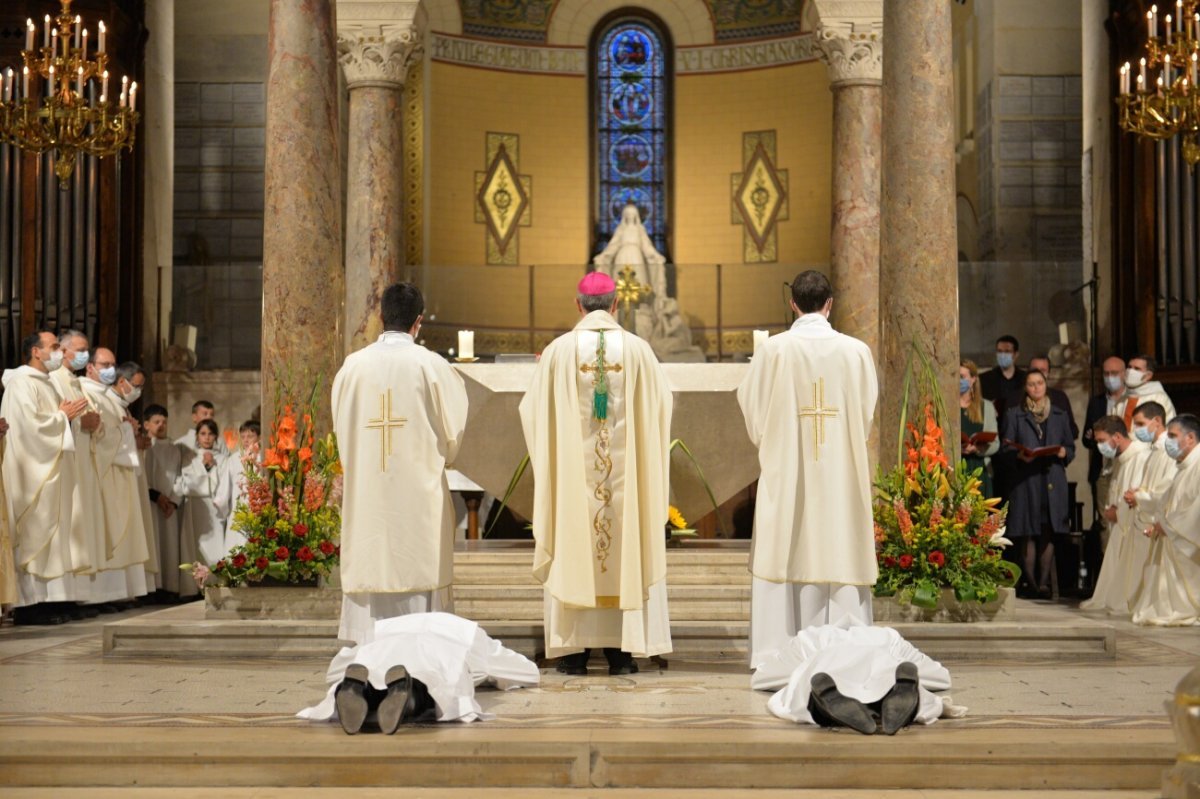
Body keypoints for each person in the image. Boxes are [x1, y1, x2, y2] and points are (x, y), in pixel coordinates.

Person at [519, 271, 673, 675]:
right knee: (622, 542)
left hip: (575, 488)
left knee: (574, 537)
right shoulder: (638, 351)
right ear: (617, 304)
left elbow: (531, 413)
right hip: (627, 490)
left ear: (578, 305)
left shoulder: (558, 352)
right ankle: (622, 652)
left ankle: (574, 652)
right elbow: (662, 409)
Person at [737, 270, 878, 668]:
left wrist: (778, 444)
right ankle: (844, 647)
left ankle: (776, 653)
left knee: (785, 542)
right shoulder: (856, 352)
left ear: (793, 303)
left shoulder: (774, 351)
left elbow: (754, 413)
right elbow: (865, 415)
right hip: (839, 475)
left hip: (789, 472)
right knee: (838, 539)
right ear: (830, 304)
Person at [332, 282, 468, 645]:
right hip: (418, 506)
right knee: (418, 574)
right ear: (418, 321)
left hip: (368, 501)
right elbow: (453, 436)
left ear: (381, 316)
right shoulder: (433, 366)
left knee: (372, 566)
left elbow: (343, 431)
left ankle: (368, 662)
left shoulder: (353, 367)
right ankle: (422, 665)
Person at [298, 612, 540, 734]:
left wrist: (340, 676)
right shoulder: (471, 632)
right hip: (444, 647)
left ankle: (358, 689)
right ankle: (410, 693)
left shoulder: (385, 625)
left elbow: (335, 669)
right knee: (436, 683)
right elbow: (529, 673)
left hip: (383, 643)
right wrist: (496, 679)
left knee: (369, 665)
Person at [1, 331, 91, 624]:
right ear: (35, 352)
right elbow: (26, 429)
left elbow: (56, 421)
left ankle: (51, 600)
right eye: (53, 347)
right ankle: (29, 606)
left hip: (53, 470)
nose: (59, 352)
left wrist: (67, 419)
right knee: (34, 537)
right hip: (33, 473)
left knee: (54, 538)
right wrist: (62, 418)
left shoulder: (47, 384)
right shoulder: (20, 384)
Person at [751, 624, 958, 734]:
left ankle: (821, 706)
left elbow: (763, 678)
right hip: (881, 654)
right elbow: (940, 677)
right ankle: (894, 698)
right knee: (889, 674)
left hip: (823, 658)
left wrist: (789, 670)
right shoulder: (888, 636)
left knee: (801, 686)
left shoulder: (808, 638)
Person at [80, 353, 153, 605]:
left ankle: (118, 593)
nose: (138, 390)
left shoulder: (113, 402)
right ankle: (106, 595)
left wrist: (133, 437)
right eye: (136, 384)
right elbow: (100, 436)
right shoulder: (95, 395)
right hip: (107, 475)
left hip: (119, 473)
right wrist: (126, 432)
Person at [592, 203, 704, 362]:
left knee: (640, 293)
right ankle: (618, 320)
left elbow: (647, 249)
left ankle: (642, 321)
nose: (630, 217)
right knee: (619, 294)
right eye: (627, 214)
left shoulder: (640, 230)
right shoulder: (621, 230)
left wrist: (657, 258)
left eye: (633, 214)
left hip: (638, 260)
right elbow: (612, 247)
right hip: (621, 259)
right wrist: (602, 258)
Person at [1000, 370, 1075, 598]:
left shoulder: (1060, 414)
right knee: (1027, 532)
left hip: (1052, 479)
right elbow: (1006, 448)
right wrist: (1019, 456)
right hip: (1027, 481)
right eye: (1031, 384)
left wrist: (1064, 452)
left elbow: (1070, 446)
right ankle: (1032, 584)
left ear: (1046, 384)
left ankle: (1043, 583)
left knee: (1047, 531)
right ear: (1026, 388)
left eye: (1039, 383)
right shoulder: (1015, 414)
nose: (1036, 388)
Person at [1130, 414, 1200, 626]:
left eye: (1172, 435)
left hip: (1187, 541)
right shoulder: (1184, 465)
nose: (1167, 441)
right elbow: (1169, 501)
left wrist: (1168, 525)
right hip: (1173, 536)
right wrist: (1160, 522)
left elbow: (1196, 509)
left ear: (1189, 438)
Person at [1079, 416, 1152, 615]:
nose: (1099, 445)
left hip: (1134, 525)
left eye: (1102, 440)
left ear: (1117, 436)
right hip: (1120, 522)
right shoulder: (1122, 459)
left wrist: (1117, 511)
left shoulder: (1141, 457)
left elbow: (1136, 493)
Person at [176, 419, 228, 572]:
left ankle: (216, 581)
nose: (207, 438)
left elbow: (223, 486)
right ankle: (193, 587)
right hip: (194, 507)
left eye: (211, 434)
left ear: (216, 437)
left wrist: (211, 466)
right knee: (194, 546)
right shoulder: (189, 457)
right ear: (197, 436)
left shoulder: (223, 459)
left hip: (215, 509)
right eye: (203, 433)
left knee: (216, 546)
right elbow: (188, 484)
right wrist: (207, 469)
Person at [143, 404, 185, 596]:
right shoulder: (143, 447)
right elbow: (141, 476)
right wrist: (155, 496)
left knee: (168, 546)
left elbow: (179, 477)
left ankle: (169, 587)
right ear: (146, 425)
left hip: (168, 506)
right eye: (156, 422)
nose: (161, 425)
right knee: (151, 545)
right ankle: (151, 588)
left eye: (164, 422)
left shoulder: (174, 449)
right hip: (150, 504)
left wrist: (173, 501)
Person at [212, 420, 261, 554]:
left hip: (259, 511)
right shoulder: (234, 459)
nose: (246, 440)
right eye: (243, 436)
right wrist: (220, 502)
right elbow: (225, 485)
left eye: (250, 436)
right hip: (238, 510)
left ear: (259, 437)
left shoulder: (263, 459)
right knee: (237, 547)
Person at [959, 359, 999, 498]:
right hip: (956, 469)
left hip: (979, 468)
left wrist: (977, 449)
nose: (958, 381)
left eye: (962, 377)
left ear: (973, 379)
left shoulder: (986, 406)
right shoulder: (949, 406)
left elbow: (996, 443)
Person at [1026, 355, 1079, 441]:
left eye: (1043, 370)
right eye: (1035, 370)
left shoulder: (1060, 398)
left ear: (1049, 373)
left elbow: (1073, 431)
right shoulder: (1016, 398)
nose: (1039, 374)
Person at [979, 335, 1026, 413]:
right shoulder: (984, 379)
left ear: (1016, 354)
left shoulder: (1025, 378)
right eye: (1000, 351)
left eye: (1007, 351)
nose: (1003, 355)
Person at [1124, 355, 1177, 422]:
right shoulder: (1123, 397)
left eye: (1137, 369)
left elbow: (1168, 425)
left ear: (1148, 375)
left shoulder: (1159, 398)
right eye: (1129, 367)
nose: (1130, 371)